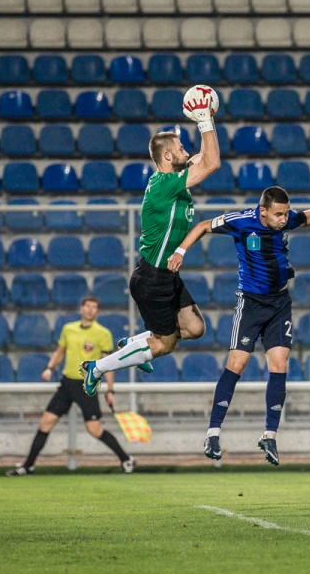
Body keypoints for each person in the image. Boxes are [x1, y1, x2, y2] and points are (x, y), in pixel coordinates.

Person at [167, 187, 310, 466]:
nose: (284, 219)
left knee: (280, 363)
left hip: (280, 304)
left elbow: (305, 218)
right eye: (278, 215)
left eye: (285, 214)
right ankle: (213, 433)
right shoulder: (241, 221)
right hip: (250, 304)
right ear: (263, 211)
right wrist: (180, 251)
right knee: (237, 364)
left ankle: (269, 435)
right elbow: (203, 226)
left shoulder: (286, 219)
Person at [81, 85, 221, 396]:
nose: (187, 152)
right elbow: (211, 164)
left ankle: (135, 344)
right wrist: (204, 120)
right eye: (181, 149)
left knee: (195, 328)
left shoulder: (172, 180)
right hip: (153, 279)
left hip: (165, 274)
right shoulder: (164, 185)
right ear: (167, 156)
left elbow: (205, 157)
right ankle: (97, 367)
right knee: (165, 345)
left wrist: (207, 120)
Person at [6, 296, 134, 475]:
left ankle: (126, 460)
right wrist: (49, 368)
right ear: (81, 308)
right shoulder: (68, 329)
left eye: (94, 307)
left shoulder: (103, 333)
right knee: (45, 423)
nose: (90, 309)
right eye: (87, 306)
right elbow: (60, 352)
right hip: (67, 384)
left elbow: (108, 363)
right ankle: (28, 466)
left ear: (97, 311)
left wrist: (110, 390)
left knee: (94, 429)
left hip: (87, 386)